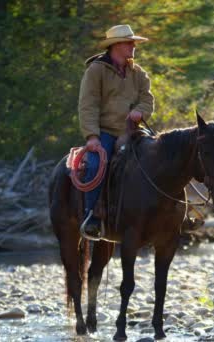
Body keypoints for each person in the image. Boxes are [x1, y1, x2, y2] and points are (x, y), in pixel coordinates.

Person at [78, 24, 154, 238]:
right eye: (129, 43)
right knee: (95, 165)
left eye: (133, 43)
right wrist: (92, 136)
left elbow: (147, 99)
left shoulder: (138, 72)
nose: (133, 46)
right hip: (105, 131)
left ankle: (160, 212)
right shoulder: (96, 70)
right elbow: (88, 105)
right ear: (115, 46)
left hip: (132, 131)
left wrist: (140, 111)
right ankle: (92, 216)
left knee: (160, 156)